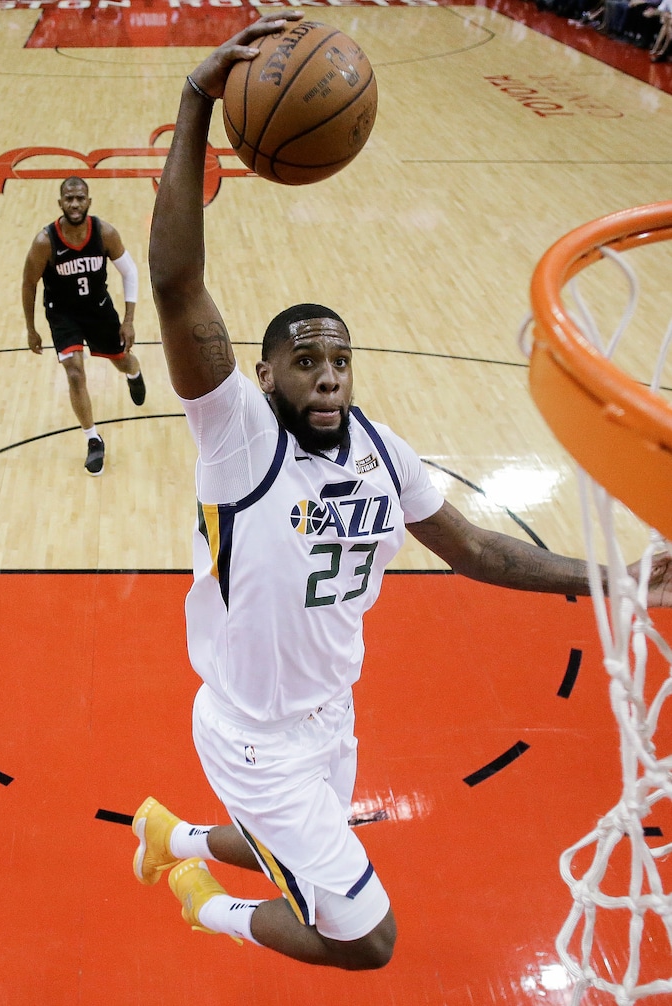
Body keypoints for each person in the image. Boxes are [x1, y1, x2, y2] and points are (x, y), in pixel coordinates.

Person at [133, 12, 672, 971]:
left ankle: (166, 837)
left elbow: (478, 549)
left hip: (330, 716)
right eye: (306, 361)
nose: (329, 376)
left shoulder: (385, 452)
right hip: (251, 737)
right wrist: (194, 102)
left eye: (340, 360)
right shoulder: (237, 439)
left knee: (291, 848)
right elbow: (176, 284)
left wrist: (619, 575)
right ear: (264, 379)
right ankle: (198, 901)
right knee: (367, 940)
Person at [22, 177, 146, 476]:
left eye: (80, 198)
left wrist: (129, 321)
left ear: (88, 202)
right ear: (60, 203)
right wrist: (31, 328)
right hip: (63, 315)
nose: (74, 204)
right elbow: (29, 283)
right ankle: (93, 438)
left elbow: (130, 272)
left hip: (98, 310)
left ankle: (134, 371)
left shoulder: (104, 233)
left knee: (121, 360)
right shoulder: (45, 242)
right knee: (75, 373)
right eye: (69, 198)